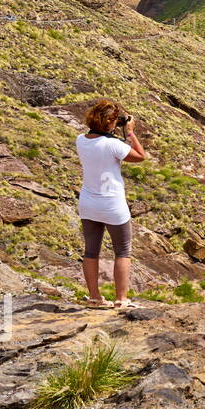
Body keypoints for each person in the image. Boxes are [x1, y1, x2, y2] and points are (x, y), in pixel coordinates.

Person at [76, 99, 148, 308]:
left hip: (88, 203)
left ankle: (94, 297)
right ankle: (121, 299)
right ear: (110, 123)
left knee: (91, 251)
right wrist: (130, 132)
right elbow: (140, 157)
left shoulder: (81, 139)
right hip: (112, 205)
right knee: (123, 251)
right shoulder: (114, 144)